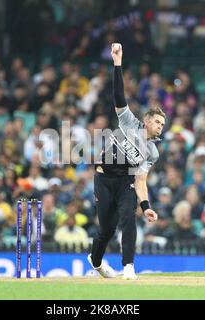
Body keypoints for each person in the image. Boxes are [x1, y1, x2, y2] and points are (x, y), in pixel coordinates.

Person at [88, 43, 162, 280]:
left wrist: (146, 206)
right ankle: (96, 261)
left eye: (163, 124)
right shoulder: (130, 123)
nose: (161, 126)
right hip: (103, 177)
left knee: (128, 218)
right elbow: (119, 96)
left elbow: (141, 180)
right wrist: (117, 63)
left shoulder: (152, 152)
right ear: (147, 120)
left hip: (125, 182)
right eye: (158, 122)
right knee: (106, 229)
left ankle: (128, 266)